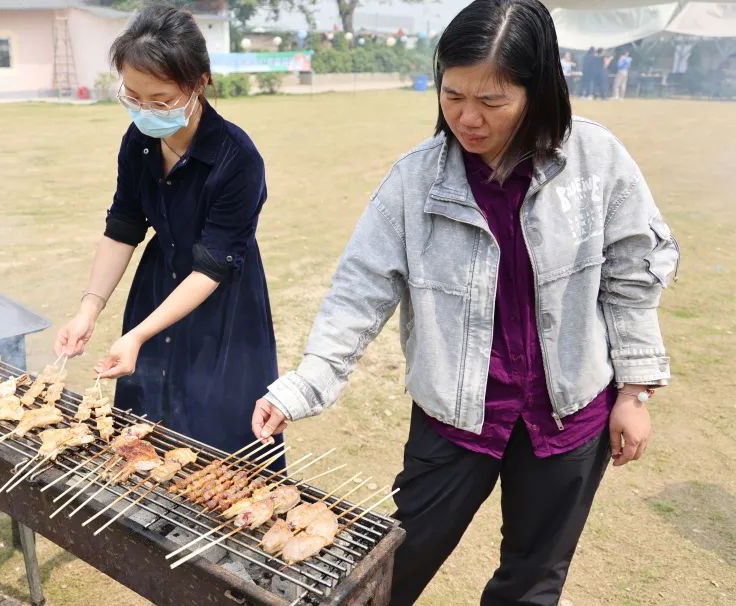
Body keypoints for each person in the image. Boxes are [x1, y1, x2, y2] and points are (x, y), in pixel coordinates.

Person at [250, 0, 680, 604]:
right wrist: (304, 386)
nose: (468, 118)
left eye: (493, 101)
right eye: (453, 95)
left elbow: (632, 275)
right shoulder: (416, 180)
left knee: (533, 578)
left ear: (539, 91)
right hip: (454, 415)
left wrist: (633, 392)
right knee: (391, 567)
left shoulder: (597, 160)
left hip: (568, 416)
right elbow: (358, 292)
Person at [55, 3, 279, 460]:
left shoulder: (238, 159)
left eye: (160, 101)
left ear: (199, 83)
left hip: (223, 308)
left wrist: (137, 336)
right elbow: (122, 227)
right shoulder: (137, 143)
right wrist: (88, 311)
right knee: (145, 435)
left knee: (221, 443)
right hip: (157, 288)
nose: (145, 112)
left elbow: (213, 266)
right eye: (133, 97)